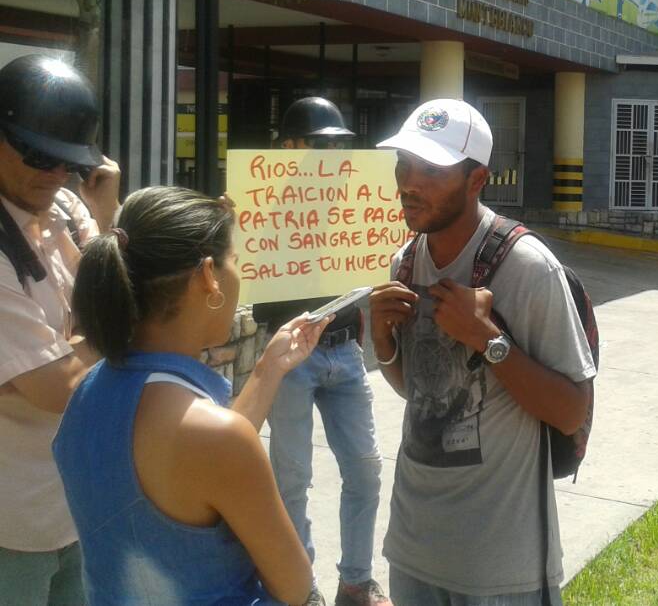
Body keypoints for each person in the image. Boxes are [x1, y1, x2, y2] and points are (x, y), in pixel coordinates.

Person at [54, 186, 332, 605]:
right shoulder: (214, 438)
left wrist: (268, 368)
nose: (239, 271)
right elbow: (295, 588)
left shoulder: (87, 394)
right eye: (233, 259)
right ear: (208, 275)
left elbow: (200, 470)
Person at [369, 99, 596, 605]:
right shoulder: (405, 262)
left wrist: (488, 340)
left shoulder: (528, 269)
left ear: (477, 180)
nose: (409, 182)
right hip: (413, 546)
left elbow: (571, 410)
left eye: (431, 169)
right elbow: (422, 393)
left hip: (501, 564)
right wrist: (385, 345)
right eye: (404, 164)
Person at [255, 97, 389, 606]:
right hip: (292, 356)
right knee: (292, 478)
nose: (328, 154)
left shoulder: (350, 195)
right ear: (288, 146)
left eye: (335, 144)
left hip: (345, 351)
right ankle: (300, 585)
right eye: (318, 143)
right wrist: (236, 221)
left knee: (365, 468)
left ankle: (355, 581)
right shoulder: (262, 200)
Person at [0, 54, 120, 606]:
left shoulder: (68, 207)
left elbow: (118, 289)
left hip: (75, 503)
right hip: (12, 524)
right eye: (40, 156)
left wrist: (107, 209)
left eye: (68, 163)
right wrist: (110, 333)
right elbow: (59, 388)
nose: (55, 174)